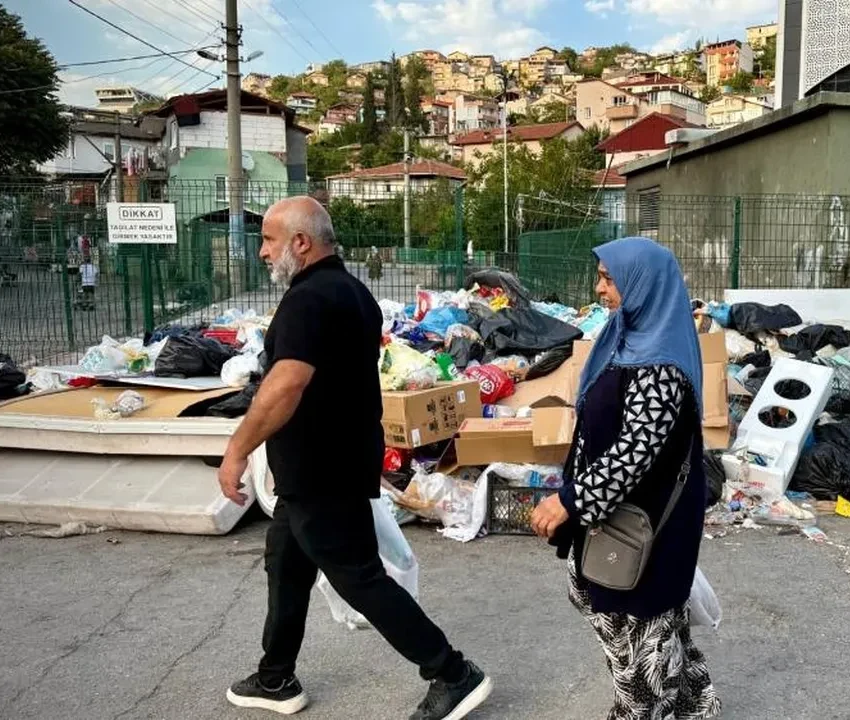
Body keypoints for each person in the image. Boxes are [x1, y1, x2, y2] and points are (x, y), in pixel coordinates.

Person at [217, 196, 490, 720]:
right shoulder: (350, 292)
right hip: (324, 466)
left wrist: (237, 450)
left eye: (270, 240)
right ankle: (275, 677)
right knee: (287, 564)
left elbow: (285, 384)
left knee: (359, 576)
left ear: (302, 242)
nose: (262, 252)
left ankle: (451, 673)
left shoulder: (309, 299)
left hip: (322, 469)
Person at [530, 237, 720, 720]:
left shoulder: (659, 363)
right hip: (619, 514)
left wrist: (570, 501)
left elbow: (635, 452)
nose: (599, 289)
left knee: (640, 631)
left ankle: (640, 710)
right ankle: (696, 701)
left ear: (643, 284)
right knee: (641, 620)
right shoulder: (625, 336)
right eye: (599, 276)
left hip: (649, 519)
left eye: (609, 279)